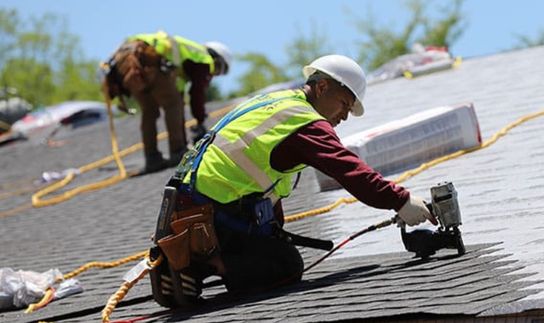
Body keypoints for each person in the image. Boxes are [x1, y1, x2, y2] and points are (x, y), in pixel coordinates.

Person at [149, 54, 437, 307]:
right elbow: (350, 170)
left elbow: (262, 185)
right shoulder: (305, 122)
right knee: (285, 265)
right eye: (344, 105)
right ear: (322, 87)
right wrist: (400, 200)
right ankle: (204, 263)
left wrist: (272, 231)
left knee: (273, 246)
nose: (344, 117)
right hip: (211, 212)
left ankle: (186, 261)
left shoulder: (276, 102)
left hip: (190, 208)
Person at [100, 31, 231, 174]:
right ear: (216, 57)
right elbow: (196, 93)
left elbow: (181, 96)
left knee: (150, 111)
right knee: (172, 105)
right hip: (147, 58)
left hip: (127, 63)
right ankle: (177, 152)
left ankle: (152, 159)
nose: (214, 74)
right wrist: (200, 121)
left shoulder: (182, 64)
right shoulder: (204, 59)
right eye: (219, 69)